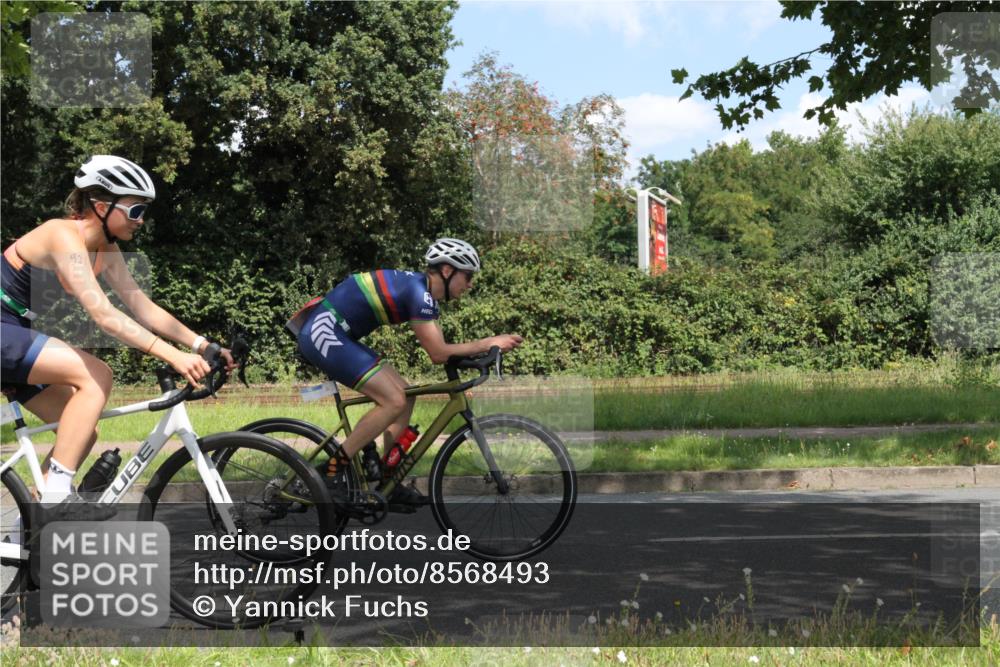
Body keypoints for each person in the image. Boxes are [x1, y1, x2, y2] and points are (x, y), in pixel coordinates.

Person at [1, 155, 232, 518]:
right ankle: (57, 497)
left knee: (79, 434)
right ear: (101, 205)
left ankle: (30, 535)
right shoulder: (61, 234)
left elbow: (143, 308)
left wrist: (201, 345)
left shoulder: (106, 251)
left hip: (14, 331)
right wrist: (174, 357)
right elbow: (103, 314)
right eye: (136, 209)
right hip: (3, 328)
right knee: (97, 376)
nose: (142, 220)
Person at [295, 238, 522, 509]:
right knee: (394, 400)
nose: (470, 284)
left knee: (406, 395)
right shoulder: (418, 293)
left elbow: (444, 352)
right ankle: (330, 472)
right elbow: (438, 352)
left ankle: (388, 482)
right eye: (468, 276)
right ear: (448, 271)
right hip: (324, 332)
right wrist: (488, 343)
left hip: (339, 333)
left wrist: (476, 356)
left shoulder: (424, 296)